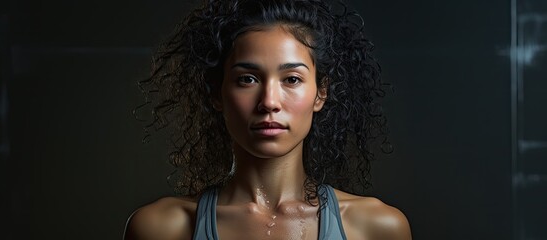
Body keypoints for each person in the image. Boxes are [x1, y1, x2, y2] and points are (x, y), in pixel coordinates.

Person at [125, 0, 411, 239]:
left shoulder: (377, 228)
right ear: (216, 93)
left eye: (292, 79)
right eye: (247, 79)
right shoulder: (161, 229)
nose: (269, 102)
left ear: (320, 93)